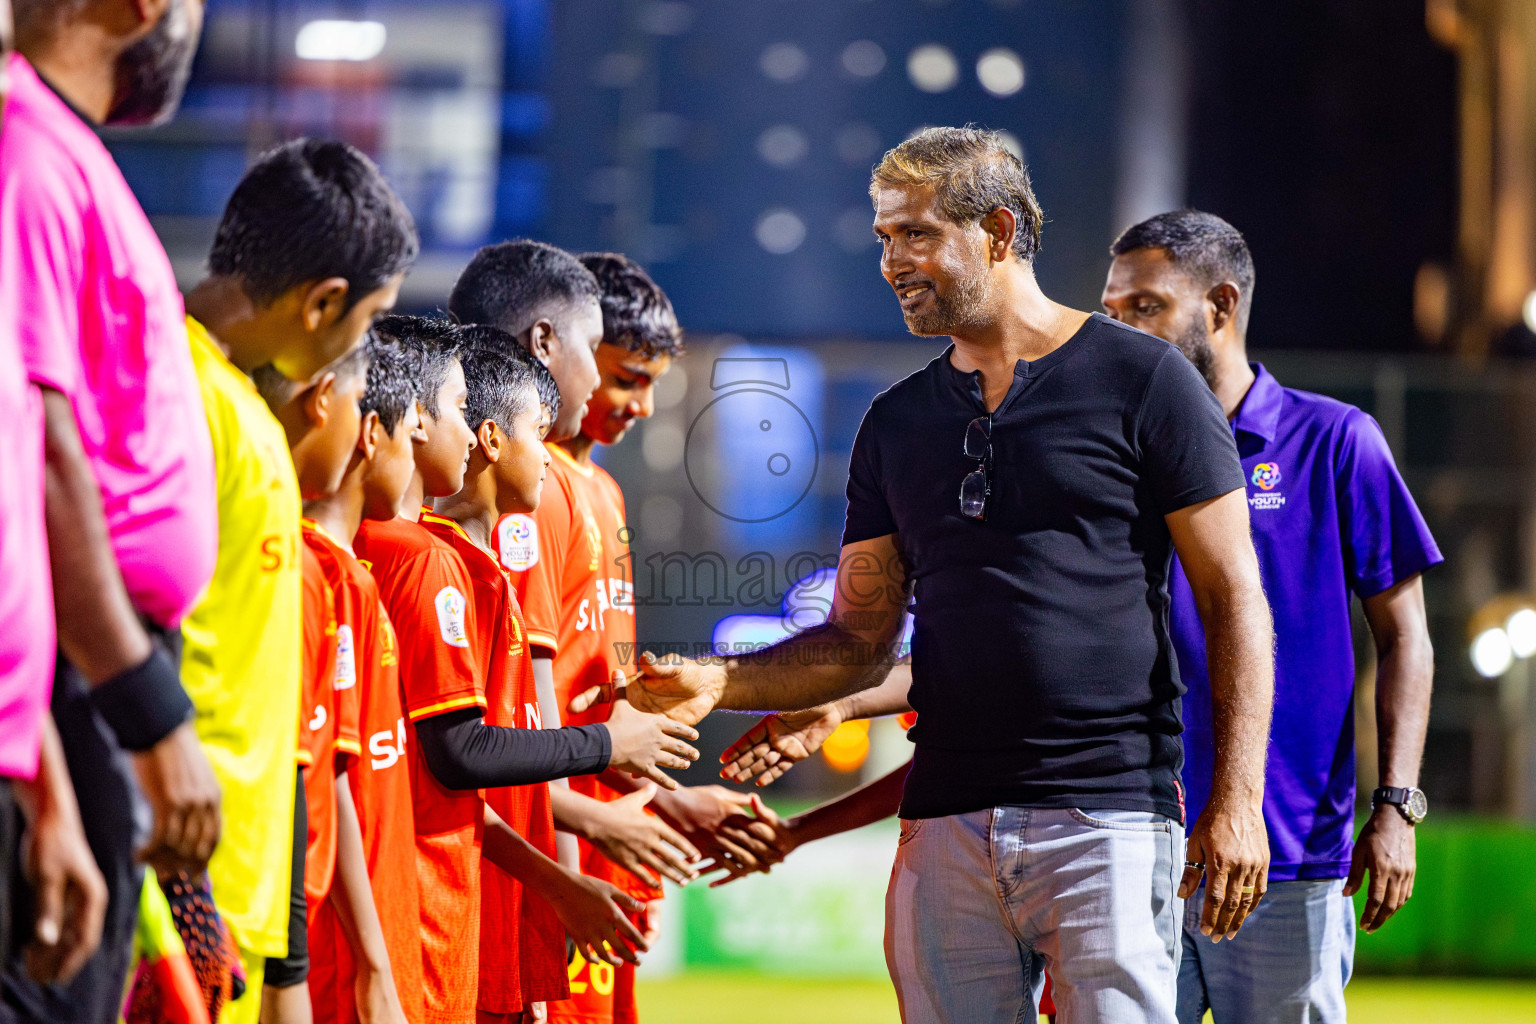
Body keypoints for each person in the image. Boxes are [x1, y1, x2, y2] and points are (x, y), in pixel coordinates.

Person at [579, 127, 1277, 1024]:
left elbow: (1234, 599)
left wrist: (1237, 802)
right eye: (882, 239)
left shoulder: (1144, 381)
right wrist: (716, 680)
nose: (891, 262)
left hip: (1105, 815)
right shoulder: (894, 424)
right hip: (942, 827)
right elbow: (858, 645)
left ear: (995, 229)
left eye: (914, 235)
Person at [1101, 210, 1441, 1024]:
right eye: (1111, 312)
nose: (1117, 331)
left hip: (1290, 856)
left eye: (1144, 307)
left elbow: (1407, 639)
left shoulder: (1335, 442)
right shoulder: (1107, 450)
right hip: (1122, 850)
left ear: (1219, 307)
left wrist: (1396, 805)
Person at [451, 246, 771, 1024]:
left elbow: (587, 699)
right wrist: (566, 868)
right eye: (622, 373)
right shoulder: (527, 494)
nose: (635, 403)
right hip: (546, 844)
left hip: (599, 832)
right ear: (557, 348)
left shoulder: (600, 489)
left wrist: (669, 798)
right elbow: (515, 712)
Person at [355, 316, 696, 1024]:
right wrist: (606, 751)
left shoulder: (451, 559)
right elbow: (458, 755)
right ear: (487, 436)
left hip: (458, 911)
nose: (548, 455)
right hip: (435, 919)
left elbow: (449, 771)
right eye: (539, 431)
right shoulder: (429, 562)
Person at [0, 2, 224, 1018]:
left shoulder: (61, 152)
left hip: (83, 679)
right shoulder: (28, 152)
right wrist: (144, 707)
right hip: (78, 674)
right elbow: (39, 447)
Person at [179, 138, 415, 1024]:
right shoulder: (177, 396)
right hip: (168, 885)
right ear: (322, 303)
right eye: (368, 318)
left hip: (226, 893)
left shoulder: (236, 407)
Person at [302, 334, 429, 1024]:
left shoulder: (355, 572)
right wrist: (374, 967)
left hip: (370, 934)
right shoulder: (329, 575)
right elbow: (335, 778)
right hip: (339, 953)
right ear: (370, 433)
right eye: (413, 435)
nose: (415, 461)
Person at [252, 344, 374, 1024]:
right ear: (324, 399)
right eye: (362, 407)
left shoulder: (310, 564)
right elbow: (298, 775)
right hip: (272, 926)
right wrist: (290, 966)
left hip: (281, 919)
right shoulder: (302, 567)